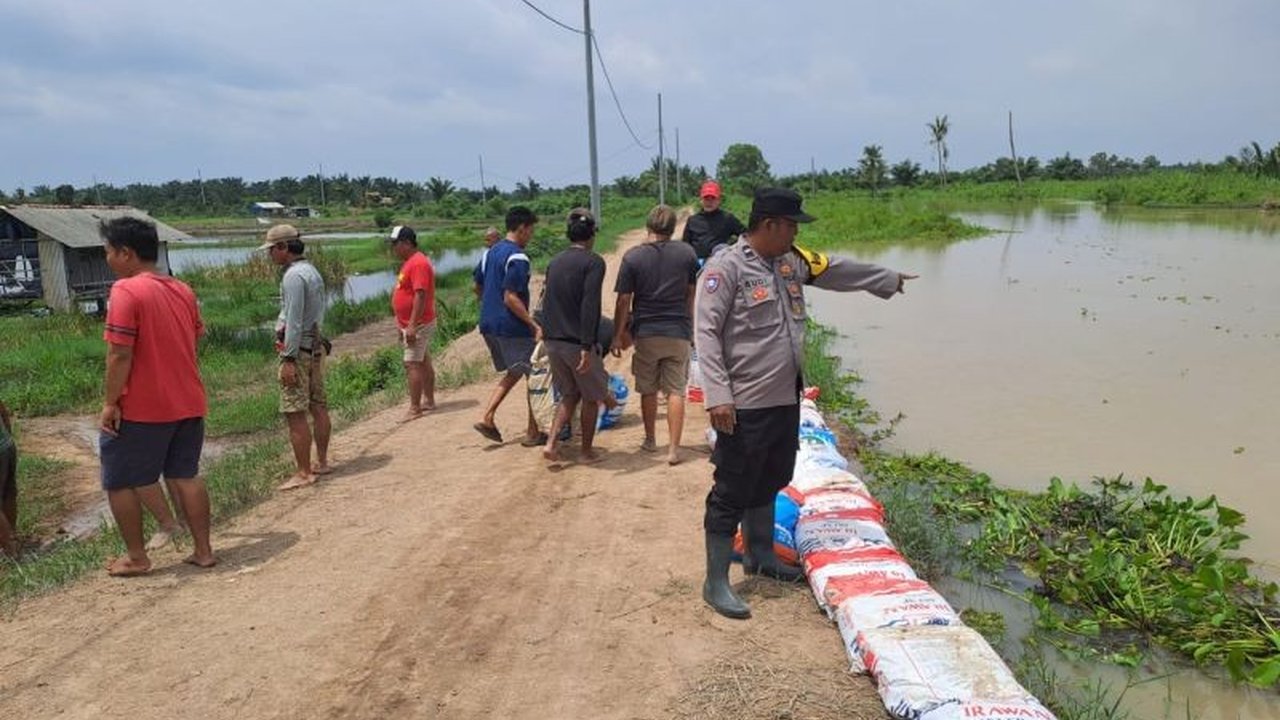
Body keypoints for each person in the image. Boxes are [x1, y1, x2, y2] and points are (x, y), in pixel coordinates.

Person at [694, 188, 917, 619]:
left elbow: (833, 269)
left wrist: (884, 279)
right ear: (771, 224)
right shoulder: (726, 268)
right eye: (793, 224)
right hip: (743, 402)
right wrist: (717, 395)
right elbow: (705, 334)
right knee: (733, 487)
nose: (797, 231)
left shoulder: (788, 261)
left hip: (783, 396)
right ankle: (716, 581)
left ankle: (761, 556)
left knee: (772, 475)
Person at [98, 217, 216, 576]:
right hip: (188, 400)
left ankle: (137, 557)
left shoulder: (126, 291)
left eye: (107, 252)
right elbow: (194, 337)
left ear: (126, 253)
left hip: (144, 408)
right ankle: (203, 551)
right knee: (185, 475)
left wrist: (109, 402)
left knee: (118, 479)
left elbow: (120, 354)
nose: (107, 259)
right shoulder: (182, 289)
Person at [613, 204, 699, 466]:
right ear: (673, 228)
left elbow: (623, 300)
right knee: (676, 390)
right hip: (678, 331)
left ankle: (651, 441)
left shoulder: (633, 257)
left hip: (647, 332)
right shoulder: (687, 253)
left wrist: (618, 335)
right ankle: (673, 449)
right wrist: (690, 326)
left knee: (648, 389)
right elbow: (691, 293)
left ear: (648, 226)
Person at [262, 224, 332, 490]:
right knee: (318, 405)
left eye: (272, 249)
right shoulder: (311, 271)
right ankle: (322, 462)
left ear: (283, 247)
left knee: (295, 411)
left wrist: (289, 358)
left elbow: (293, 321)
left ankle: (304, 472)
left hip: (299, 351)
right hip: (315, 347)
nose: (270, 255)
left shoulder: (292, 276)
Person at [539, 209, 610, 464]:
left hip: (553, 341)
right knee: (591, 397)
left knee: (569, 393)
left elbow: (546, 300)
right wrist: (586, 346)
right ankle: (586, 451)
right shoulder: (594, 262)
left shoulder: (555, 261)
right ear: (591, 235)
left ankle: (551, 444)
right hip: (575, 343)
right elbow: (590, 305)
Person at [473, 207, 546, 447]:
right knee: (532, 374)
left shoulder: (489, 253)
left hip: (488, 324)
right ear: (523, 228)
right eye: (531, 230)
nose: (532, 235)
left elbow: (477, 285)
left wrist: (487, 305)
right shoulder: (518, 257)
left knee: (516, 370)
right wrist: (532, 324)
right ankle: (533, 432)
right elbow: (511, 297)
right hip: (511, 326)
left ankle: (487, 416)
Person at [388, 225, 437, 422]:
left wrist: (411, 324)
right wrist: (400, 321)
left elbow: (420, 294)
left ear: (407, 243)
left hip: (419, 323)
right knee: (422, 360)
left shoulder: (418, 263)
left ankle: (415, 408)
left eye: (395, 244)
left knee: (411, 363)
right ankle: (429, 400)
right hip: (411, 322)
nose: (393, 248)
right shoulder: (410, 262)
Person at [682, 179, 745, 262]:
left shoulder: (727, 219)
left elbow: (746, 235)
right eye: (706, 198)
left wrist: (733, 250)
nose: (709, 202)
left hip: (719, 263)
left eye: (712, 198)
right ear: (701, 200)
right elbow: (685, 246)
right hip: (697, 264)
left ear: (719, 200)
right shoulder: (693, 220)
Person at [0, 400, 17, 557]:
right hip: (6, 445)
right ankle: (12, 536)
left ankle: (10, 551)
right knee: (8, 495)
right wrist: (9, 436)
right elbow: (3, 409)